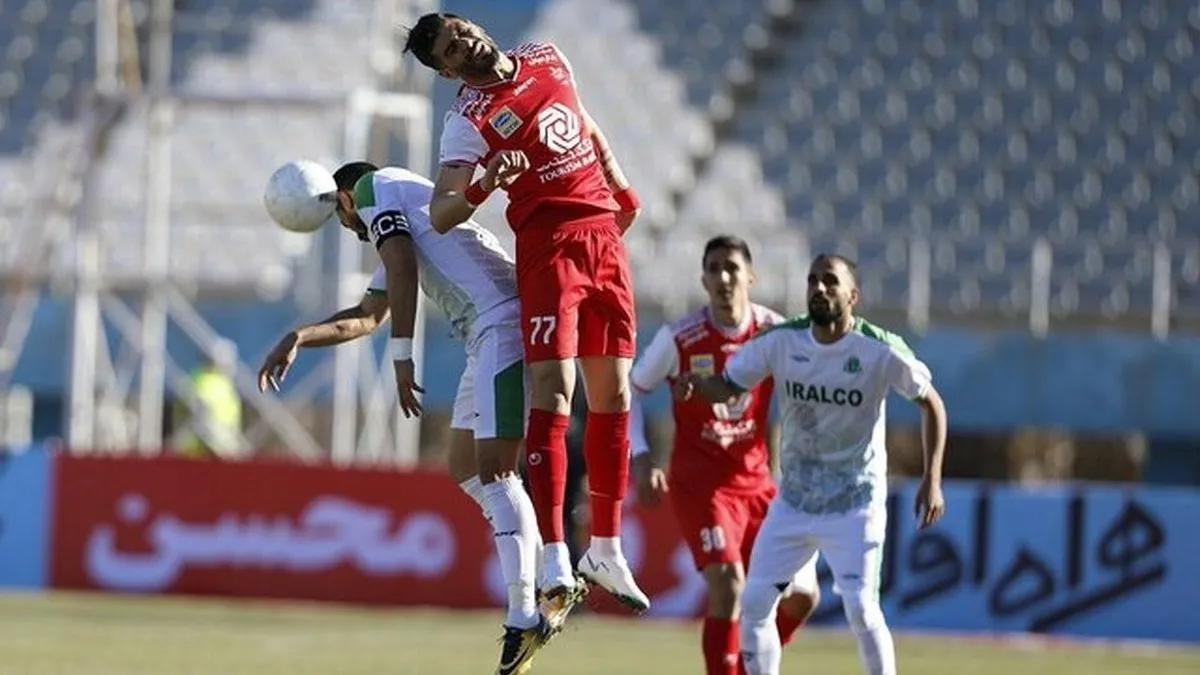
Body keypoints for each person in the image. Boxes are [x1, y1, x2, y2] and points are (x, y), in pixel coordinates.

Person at [256, 162, 549, 675]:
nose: (351, 228)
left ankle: (526, 610)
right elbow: (367, 316)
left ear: (345, 199)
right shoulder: (405, 217)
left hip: (501, 325)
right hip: (487, 334)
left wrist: (402, 357)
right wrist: (300, 336)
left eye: (344, 218)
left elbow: (402, 269)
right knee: (467, 467)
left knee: (497, 472)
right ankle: (542, 579)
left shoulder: (375, 187)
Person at [403, 12, 649, 619]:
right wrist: (486, 182)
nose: (464, 42)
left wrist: (622, 190)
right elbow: (440, 213)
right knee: (554, 391)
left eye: (460, 30)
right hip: (548, 247)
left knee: (614, 392)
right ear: (448, 71)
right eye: (450, 49)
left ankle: (607, 548)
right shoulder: (467, 120)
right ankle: (557, 554)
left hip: (603, 236)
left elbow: (585, 124)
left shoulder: (546, 55)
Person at [677, 254, 949, 675]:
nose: (819, 288)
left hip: (855, 504)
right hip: (794, 503)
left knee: (861, 609)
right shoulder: (782, 341)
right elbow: (728, 386)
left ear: (853, 296)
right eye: (813, 280)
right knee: (755, 603)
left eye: (830, 281)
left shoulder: (878, 349)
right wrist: (698, 386)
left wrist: (932, 479)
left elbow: (932, 404)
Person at [629, 236, 820, 675]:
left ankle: (749, 665)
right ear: (703, 280)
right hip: (702, 484)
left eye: (732, 267)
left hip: (758, 483)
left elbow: (807, 391)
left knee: (802, 597)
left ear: (751, 277)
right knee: (729, 585)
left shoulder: (774, 333)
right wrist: (640, 455)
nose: (723, 277)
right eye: (713, 269)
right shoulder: (680, 337)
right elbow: (631, 392)